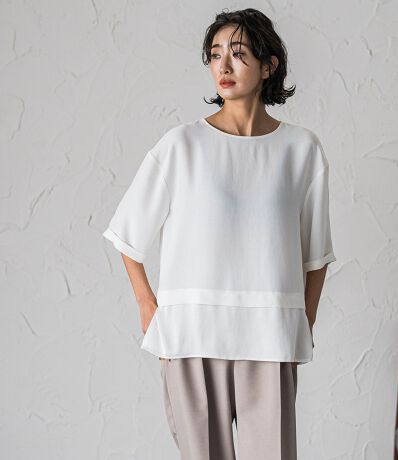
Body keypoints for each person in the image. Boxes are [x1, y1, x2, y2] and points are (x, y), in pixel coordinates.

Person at [102, 7, 336, 460]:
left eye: (239, 53)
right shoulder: (181, 146)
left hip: (269, 336)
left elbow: (316, 256)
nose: (223, 66)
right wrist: (149, 306)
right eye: (215, 54)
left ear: (269, 66)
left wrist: (302, 323)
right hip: (191, 335)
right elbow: (127, 234)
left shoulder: (301, 150)